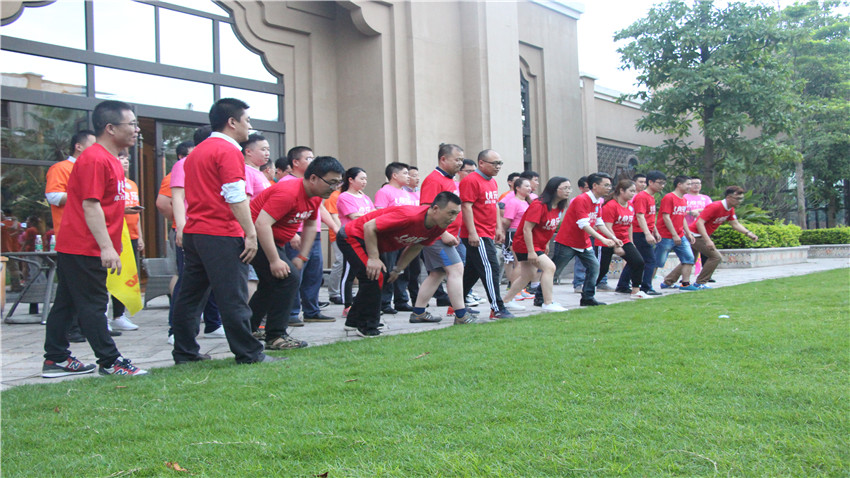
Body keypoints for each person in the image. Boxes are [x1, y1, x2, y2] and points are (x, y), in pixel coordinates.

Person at [42, 100, 148, 377]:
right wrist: (106, 247)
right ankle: (110, 361)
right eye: (132, 124)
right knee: (93, 304)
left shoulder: (109, 160)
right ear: (111, 128)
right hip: (83, 246)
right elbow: (89, 205)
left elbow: (94, 201)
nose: (137, 130)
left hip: (81, 245)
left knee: (67, 303)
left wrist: (121, 209)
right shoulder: (95, 158)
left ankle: (55, 358)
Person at [171, 98, 280, 365]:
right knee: (233, 295)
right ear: (232, 122)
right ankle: (249, 353)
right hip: (220, 232)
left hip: (196, 232)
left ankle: (184, 351)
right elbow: (234, 195)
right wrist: (250, 233)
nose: (249, 127)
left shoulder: (196, 152)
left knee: (190, 295)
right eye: (247, 121)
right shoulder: (228, 150)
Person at [249, 156, 346, 349]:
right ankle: (275, 336)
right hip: (251, 236)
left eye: (338, 182)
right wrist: (275, 260)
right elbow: (261, 224)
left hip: (273, 239)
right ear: (313, 179)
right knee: (288, 279)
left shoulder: (317, 196)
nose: (334, 188)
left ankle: (248, 328)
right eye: (331, 182)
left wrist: (302, 255)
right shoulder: (288, 192)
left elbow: (310, 224)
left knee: (270, 284)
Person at [338, 192, 462, 337]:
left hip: (373, 242)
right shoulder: (409, 216)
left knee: (380, 278)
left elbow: (416, 246)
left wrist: (398, 269)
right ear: (435, 209)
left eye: (456, 214)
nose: (453, 219)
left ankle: (353, 322)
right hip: (352, 236)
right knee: (375, 276)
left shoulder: (437, 227)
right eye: (450, 213)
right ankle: (367, 326)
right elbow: (369, 227)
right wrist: (373, 258)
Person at [410, 143, 484, 325]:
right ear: (443, 159)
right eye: (457, 159)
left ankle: (418, 312)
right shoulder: (434, 180)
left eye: (461, 159)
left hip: (448, 235)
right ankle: (460, 315)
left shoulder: (450, 180)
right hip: (437, 236)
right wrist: (443, 234)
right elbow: (426, 209)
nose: (460, 163)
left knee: (437, 273)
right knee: (456, 269)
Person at [168, 133, 225, 345]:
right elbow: (177, 197)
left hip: (210, 230)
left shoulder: (212, 162)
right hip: (190, 230)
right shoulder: (185, 163)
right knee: (187, 282)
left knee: (208, 279)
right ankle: (176, 330)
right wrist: (181, 227)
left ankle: (213, 324)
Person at [44, 129, 96, 341]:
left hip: (88, 236)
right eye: (92, 144)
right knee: (70, 289)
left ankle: (84, 328)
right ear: (79, 146)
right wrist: (86, 196)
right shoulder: (61, 168)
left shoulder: (90, 169)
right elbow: (53, 195)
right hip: (70, 236)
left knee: (84, 287)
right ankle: (72, 330)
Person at [280, 146, 337, 325]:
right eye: (309, 158)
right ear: (295, 162)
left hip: (314, 234)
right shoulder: (286, 183)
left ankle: (312, 311)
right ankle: (291, 313)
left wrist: (335, 227)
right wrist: (290, 235)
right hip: (295, 233)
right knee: (296, 274)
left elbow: (320, 209)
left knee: (314, 273)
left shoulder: (315, 185)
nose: (313, 161)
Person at [551, 172, 621, 307]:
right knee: (554, 271)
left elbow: (599, 222)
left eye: (610, 185)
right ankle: (540, 297)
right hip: (568, 242)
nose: (609, 188)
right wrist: (603, 239)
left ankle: (588, 297)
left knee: (594, 266)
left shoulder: (598, 201)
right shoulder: (581, 200)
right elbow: (583, 224)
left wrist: (612, 237)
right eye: (605, 185)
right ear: (594, 185)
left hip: (584, 242)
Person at [503, 177, 571, 312]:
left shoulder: (558, 207)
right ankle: (548, 303)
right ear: (554, 189)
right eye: (564, 188)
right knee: (550, 267)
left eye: (569, 188)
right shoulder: (538, 205)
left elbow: (549, 228)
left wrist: (546, 244)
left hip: (537, 245)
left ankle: (506, 301)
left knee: (527, 275)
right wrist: (531, 251)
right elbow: (526, 229)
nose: (568, 191)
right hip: (525, 244)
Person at [667, 186, 758, 287]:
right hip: (695, 235)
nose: (739, 201)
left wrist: (749, 233)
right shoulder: (715, 206)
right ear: (729, 197)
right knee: (715, 257)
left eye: (741, 199)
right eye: (737, 199)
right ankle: (700, 283)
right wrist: (708, 240)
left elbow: (735, 224)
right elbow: (699, 223)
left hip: (698, 235)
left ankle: (667, 282)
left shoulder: (730, 209)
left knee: (689, 260)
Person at [460, 149, 513, 319]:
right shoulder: (471, 181)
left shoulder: (492, 182)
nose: (498, 167)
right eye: (494, 163)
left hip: (488, 232)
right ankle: (497, 308)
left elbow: (494, 205)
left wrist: (499, 228)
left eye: (500, 163)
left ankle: (456, 305)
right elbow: (466, 207)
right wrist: (472, 233)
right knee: (491, 267)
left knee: (473, 271)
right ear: (481, 163)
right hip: (477, 234)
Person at [373, 162, 418, 314]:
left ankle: (401, 301)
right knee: (388, 270)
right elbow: (380, 215)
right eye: (405, 173)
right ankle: (385, 303)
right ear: (394, 175)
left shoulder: (406, 193)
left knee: (403, 271)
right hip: (390, 238)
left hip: (406, 238)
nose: (408, 176)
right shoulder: (384, 192)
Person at [597, 179, 650, 299]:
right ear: (621, 190)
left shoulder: (630, 206)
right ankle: (588, 290)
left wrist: (630, 242)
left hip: (624, 239)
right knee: (602, 269)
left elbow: (629, 224)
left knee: (638, 262)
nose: (633, 194)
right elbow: (607, 226)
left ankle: (636, 291)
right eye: (631, 191)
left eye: (634, 191)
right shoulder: (610, 206)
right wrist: (616, 245)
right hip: (607, 240)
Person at [108, 149, 143, 331]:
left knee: (127, 275)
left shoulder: (131, 184)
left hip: (132, 236)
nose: (125, 162)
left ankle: (119, 315)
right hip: (115, 235)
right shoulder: (111, 182)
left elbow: (136, 214)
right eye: (121, 158)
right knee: (112, 276)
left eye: (127, 159)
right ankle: (106, 316)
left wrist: (140, 236)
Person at [336, 167, 375, 317]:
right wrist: (369, 215)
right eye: (362, 178)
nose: (365, 182)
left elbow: (373, 213)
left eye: (366, 179)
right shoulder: (344, 197)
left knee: (363, 271)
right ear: (350, 180)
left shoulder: (364, 197)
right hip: (350, 238)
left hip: (365, 237)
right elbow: (354, 216)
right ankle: (347, 305)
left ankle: (362, 302)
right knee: (349, 272)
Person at [620, 170, 666, 296]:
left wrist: (655, 231)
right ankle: (646, 287)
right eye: (659, 183)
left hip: (645, 231)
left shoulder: (650, 197)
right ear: (650, 182)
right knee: (650, 260)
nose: (662, 186)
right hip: (639, 232)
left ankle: (622, 285)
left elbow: (650, 217)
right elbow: (640, 216)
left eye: (664, 183)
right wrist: (647, 234)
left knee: (635, 260)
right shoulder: (641, 197)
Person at [656, 175, 698, 290]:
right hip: (665, 236)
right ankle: (647, 286)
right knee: (657, 261)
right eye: (688, 184)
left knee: (689, 258)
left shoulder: (684, 199)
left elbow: (682, 217)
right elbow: (666, 217)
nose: (690, 186)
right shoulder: (669, 197)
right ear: (679, 184)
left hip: (680, 235)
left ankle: (685, 284)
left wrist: (688, 233)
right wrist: (674, 234)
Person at [500, 176, 532, 300]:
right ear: (517, 188)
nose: (529, 188)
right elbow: (507, 221)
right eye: (526, 186)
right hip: (514, 233)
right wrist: (503, 233)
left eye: (530, 186)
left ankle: (520, 289)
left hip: (523, 233)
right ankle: (514, 291)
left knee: (523, 264)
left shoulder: (525, 202)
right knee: (518, 263)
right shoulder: (513, 202)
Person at [683, 176, 713, 275]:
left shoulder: (705, 198)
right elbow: (679, 211)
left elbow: (711, 210)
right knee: (688, 253)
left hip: (703, 229)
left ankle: (706, 273)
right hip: (688, 229)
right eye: (693, 183)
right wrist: (691, 212)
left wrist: (699, 211)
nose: (696, 185)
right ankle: (684, 275)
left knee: (707, 252)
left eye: (698, 183)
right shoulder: (684, 197)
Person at [323, 187, 344, 305]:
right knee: (340, 261)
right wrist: (342, 232)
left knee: (346, 263)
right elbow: (333, 216)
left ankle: (343, 290)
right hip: (338, 234)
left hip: (348, 234)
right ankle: (334, 293)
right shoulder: (333, 196)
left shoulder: (344, 195)